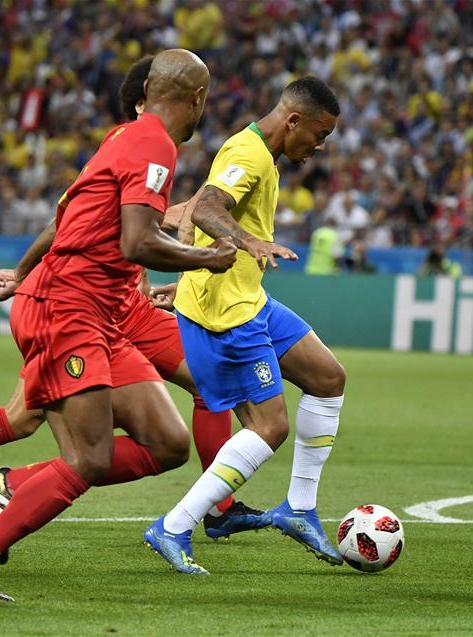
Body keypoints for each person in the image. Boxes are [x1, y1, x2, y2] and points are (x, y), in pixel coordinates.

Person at [0, 55, 259, 553]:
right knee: (24, 419)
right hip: (80, 307)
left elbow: (91, 219)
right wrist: (204, 259)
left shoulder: (129, 143)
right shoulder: (144, 143)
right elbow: (111, 229)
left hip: (117, 308)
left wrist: (25, 275)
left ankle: (213, 506)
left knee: (204, 387)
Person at [143, 76, 347, 575]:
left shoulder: (264, 157)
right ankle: (174, 525)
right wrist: (249, 243)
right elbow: (211, 207)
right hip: (228, 315)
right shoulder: (250, 152)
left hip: (248, 299)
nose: (319, 147)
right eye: (319, 135)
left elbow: (191, 210)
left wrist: (187, 277)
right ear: (293, 120)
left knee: (328, 378)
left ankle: (299, 508)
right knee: (270, 426)